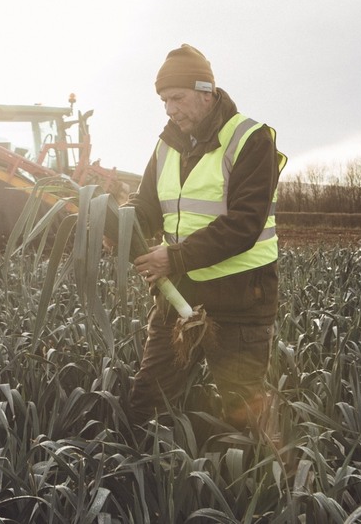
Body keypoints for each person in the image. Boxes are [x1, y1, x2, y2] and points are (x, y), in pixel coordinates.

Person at [123, 44, 286, 434]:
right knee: (147, 405)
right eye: (164, 101)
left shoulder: (250, 139)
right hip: (177, 300)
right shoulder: (166, 144)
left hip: (238, 303)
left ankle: (266, 489)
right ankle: (145, 486)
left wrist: (173, 258)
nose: (169, 109)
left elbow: (244, 225)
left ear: (206, 92)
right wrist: (116, 222)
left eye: (176, 98)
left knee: (245, 414)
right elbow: (145, 205)